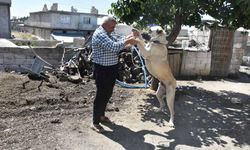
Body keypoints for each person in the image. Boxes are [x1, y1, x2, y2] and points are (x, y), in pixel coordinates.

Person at [91, 16, 139, 133]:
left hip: (110, 68)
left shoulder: (106, 33)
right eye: (112, 27)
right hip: (102, 70)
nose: (113, 29)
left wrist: (129, 37)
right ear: (106, 25)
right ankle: (95, 122)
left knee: (107, 93)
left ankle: (101, 116)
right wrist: (128, 41)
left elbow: (116, 41)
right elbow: (114, 47)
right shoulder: (100, 34)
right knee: (101, 94)